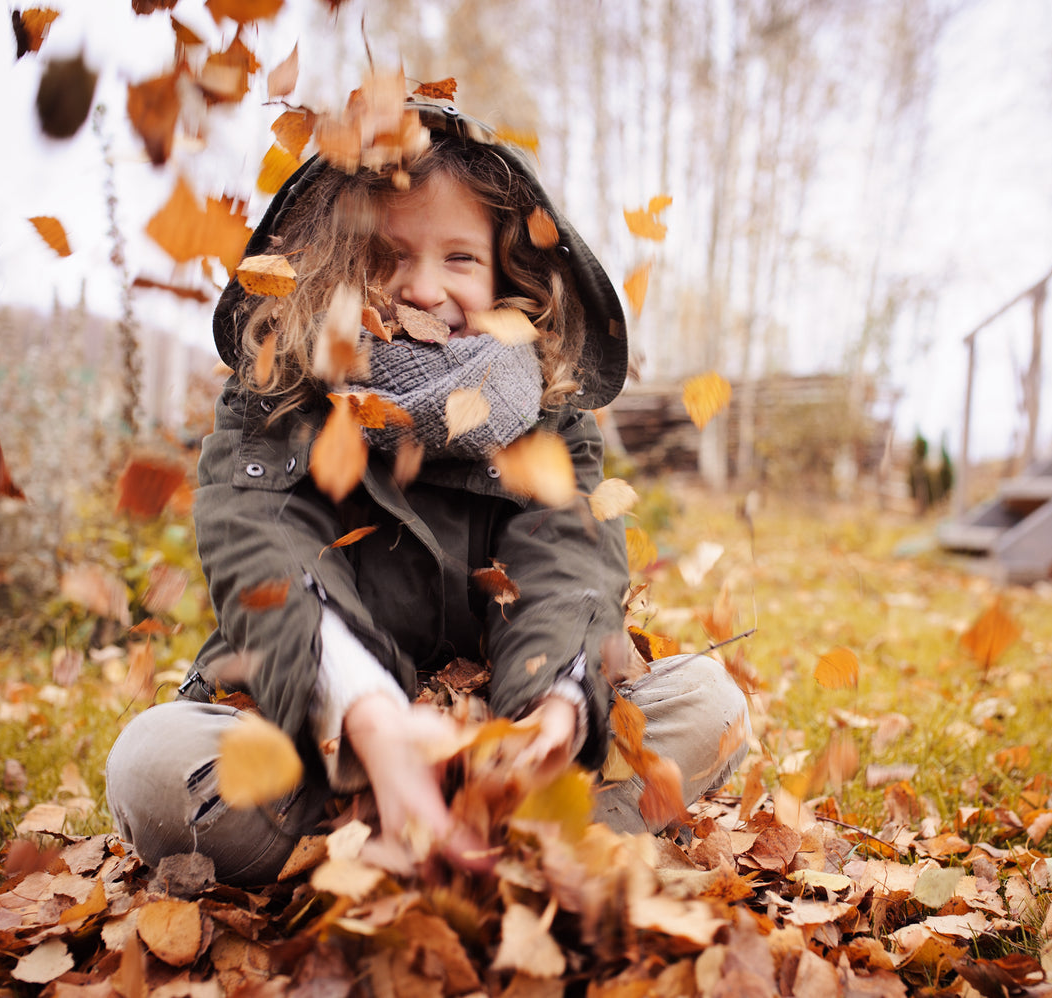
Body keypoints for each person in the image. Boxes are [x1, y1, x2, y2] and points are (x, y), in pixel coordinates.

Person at [105, 98, 750, 886]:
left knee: (707, 704)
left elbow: (569, 564)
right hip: (321, 737)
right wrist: (371, 722)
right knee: (152, 765)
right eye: (388, 256)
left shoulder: (551, 418)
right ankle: (394, 840)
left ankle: (487, 836)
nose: (423, 287)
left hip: (494, 744)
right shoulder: (275, 399)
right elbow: (265, 558)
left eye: (461, 259)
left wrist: (551, 713)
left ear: (507, 275)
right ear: (337, 267)